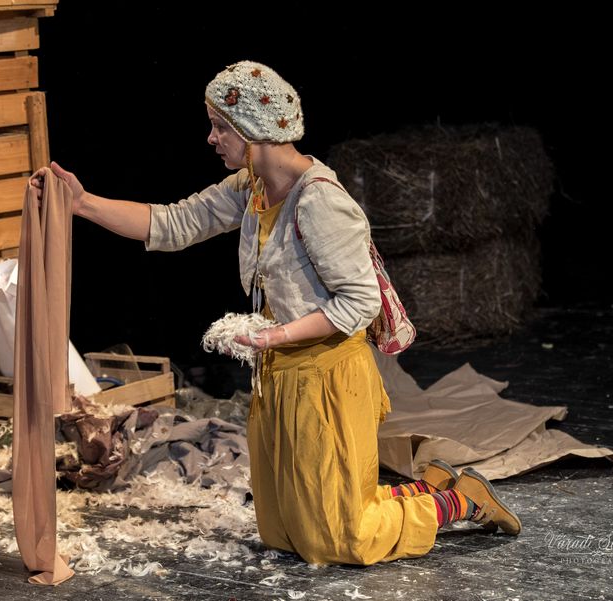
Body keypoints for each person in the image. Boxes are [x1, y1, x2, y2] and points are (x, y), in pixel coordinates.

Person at [29, 60, 521, 565]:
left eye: (220, 126)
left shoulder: (318, 201)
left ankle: (460, 500)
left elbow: (359, 301)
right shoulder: (253, 187)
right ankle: (426, 487)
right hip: (280, 372)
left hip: (328, 374)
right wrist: (83, 203)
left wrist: (275, 335)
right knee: (283, 531)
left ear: (253, 130)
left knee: (339, 540)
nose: (211, 138)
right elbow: (174, 224)